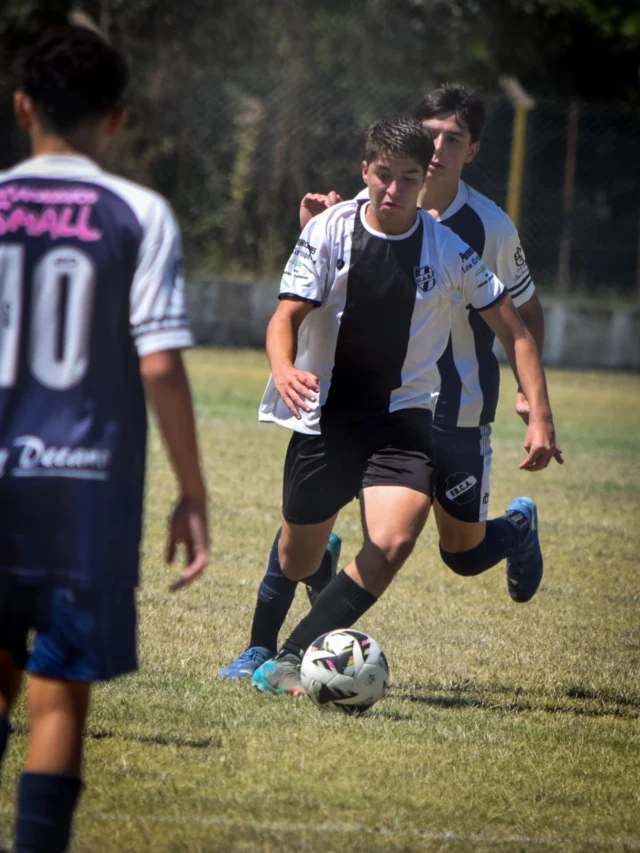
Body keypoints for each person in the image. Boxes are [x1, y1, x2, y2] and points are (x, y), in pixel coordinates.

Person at [219, 84, 562, 682]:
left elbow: (518, 328)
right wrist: (281, 367)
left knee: (408, 543)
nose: (398, 187)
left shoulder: (464, 242)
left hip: (415, 419)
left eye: (413, 172)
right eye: (387, 175)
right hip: (326, 419)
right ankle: (305, 608)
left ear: (463, 154)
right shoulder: (333, 225)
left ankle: (290, 660)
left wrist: (539, 413)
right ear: (367, 171)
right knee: (297, 556)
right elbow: (285, 316)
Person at [0, 26, 209, 852]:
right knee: (58, 695)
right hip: (87, 490)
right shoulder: (140, 213)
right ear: (118, 119)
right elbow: (159, 365)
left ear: (22, 108)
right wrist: (192, 491)